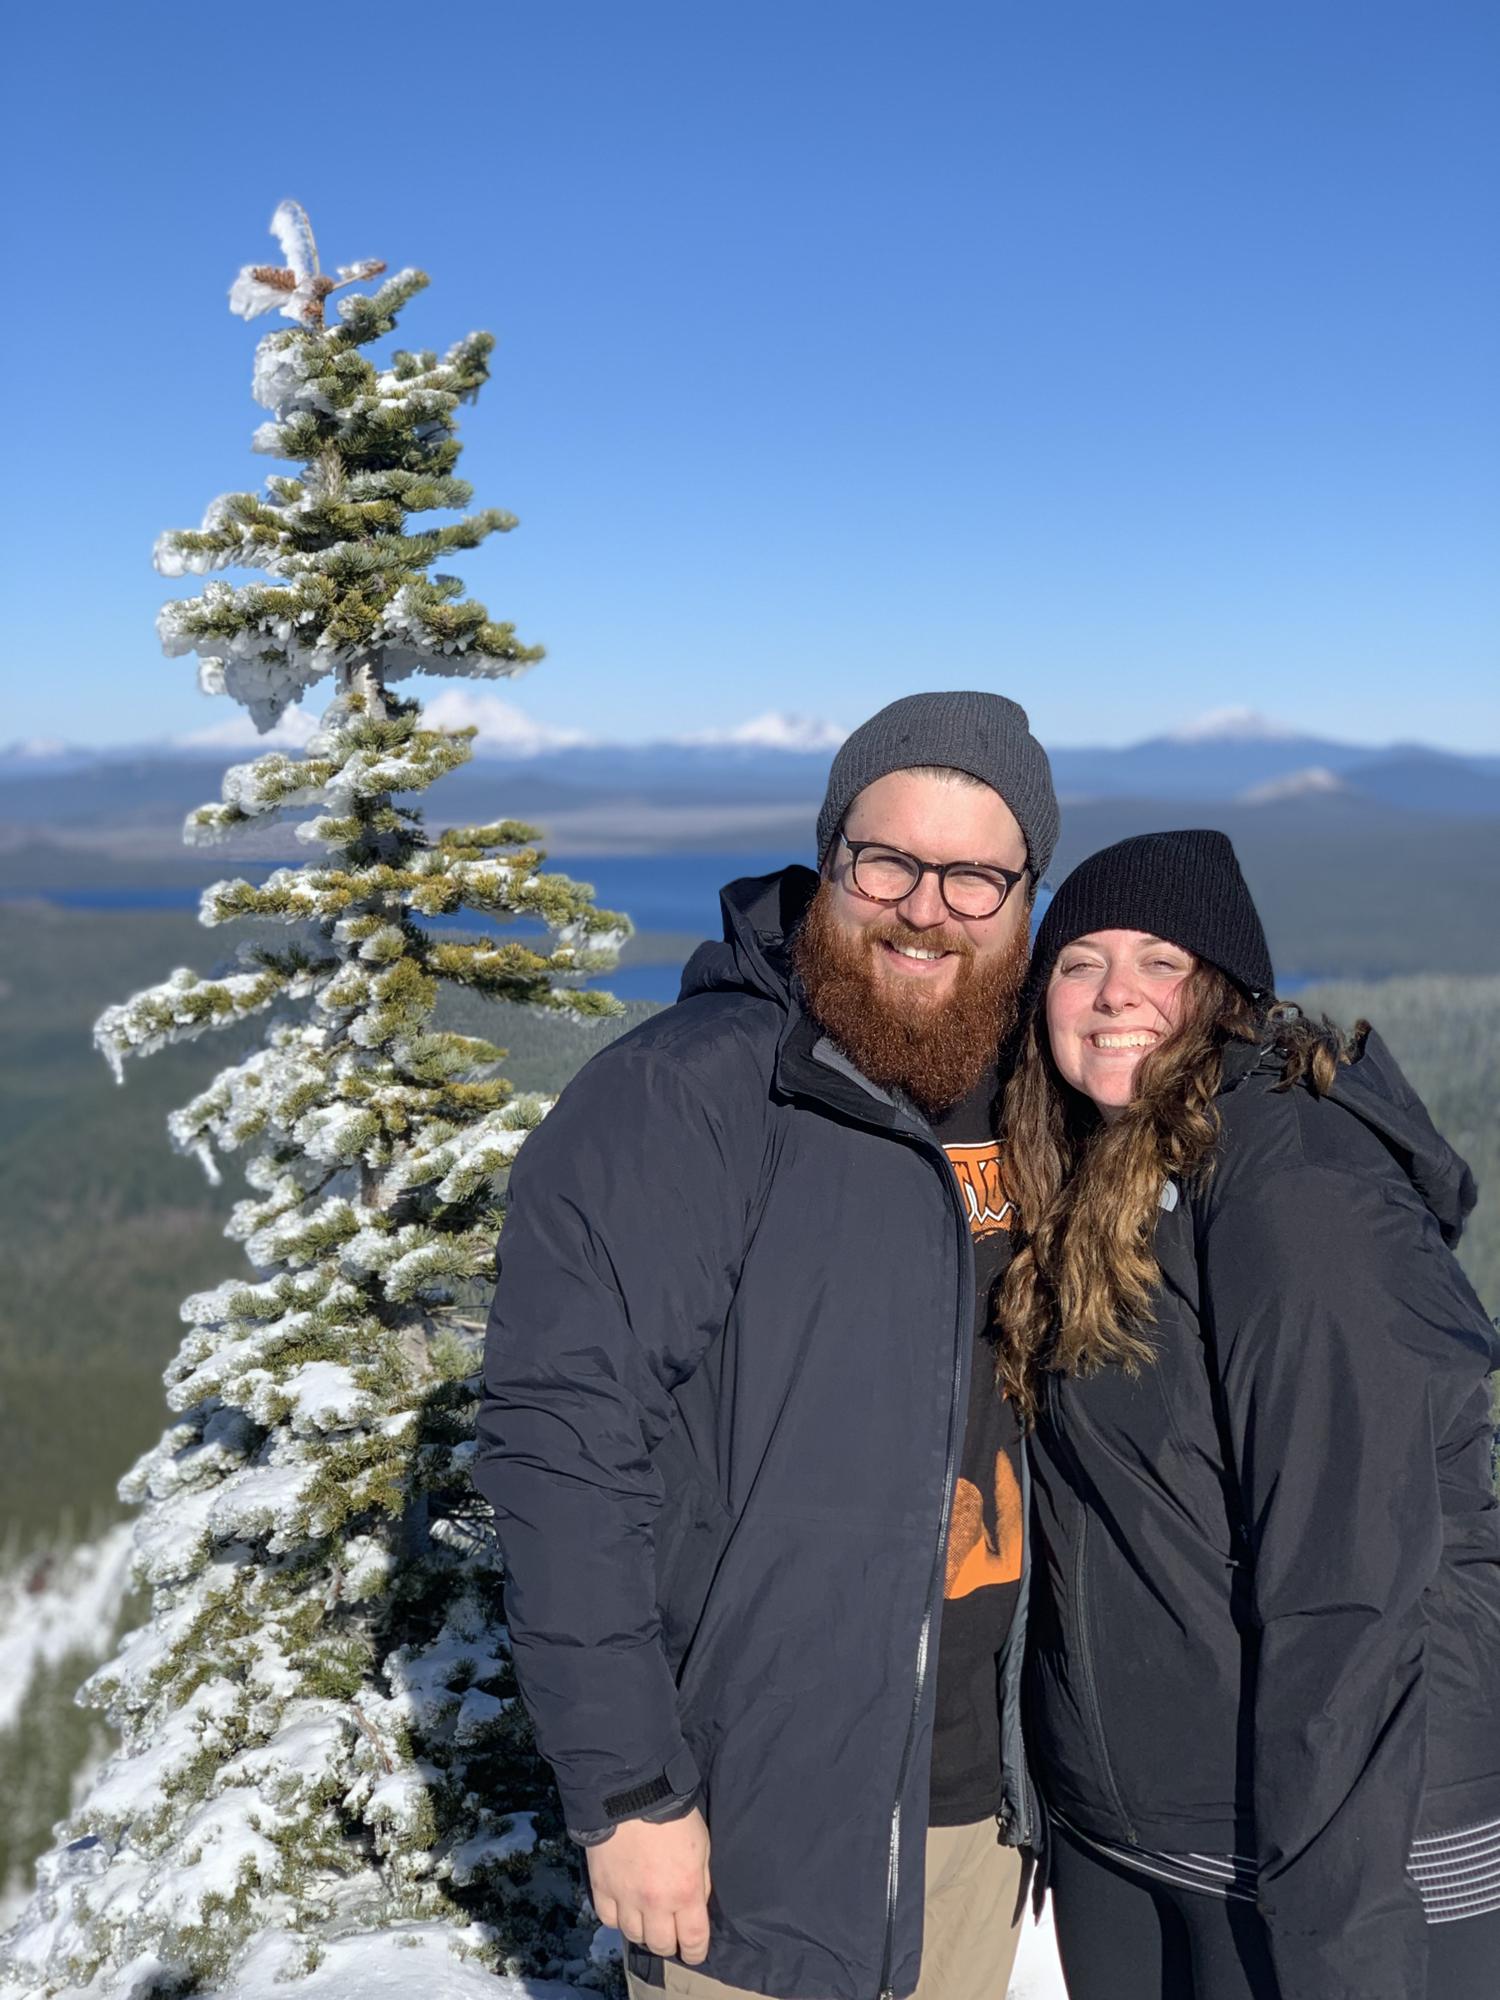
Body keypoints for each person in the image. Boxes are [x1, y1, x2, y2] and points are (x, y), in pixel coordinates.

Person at [475, 691, 1056, 1999]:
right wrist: (628, 1790)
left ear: (1027, 896)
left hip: (976, 1821)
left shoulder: (1041, 1093)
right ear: (829, 861)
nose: (927, 909)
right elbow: (562, 1447)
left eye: (975, 876)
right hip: (758, 1837)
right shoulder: (693, 1094)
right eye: (889, 861)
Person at [995, 828, 1500, 2000]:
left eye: (1161, 959)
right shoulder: (1097, 1181)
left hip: (1345, 1846)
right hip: (1141, 1835)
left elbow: (1349, 1580)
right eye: (1079, 961)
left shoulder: (1296, 1182)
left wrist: (1342, 1934)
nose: (1115, 991)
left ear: (1228, 993)